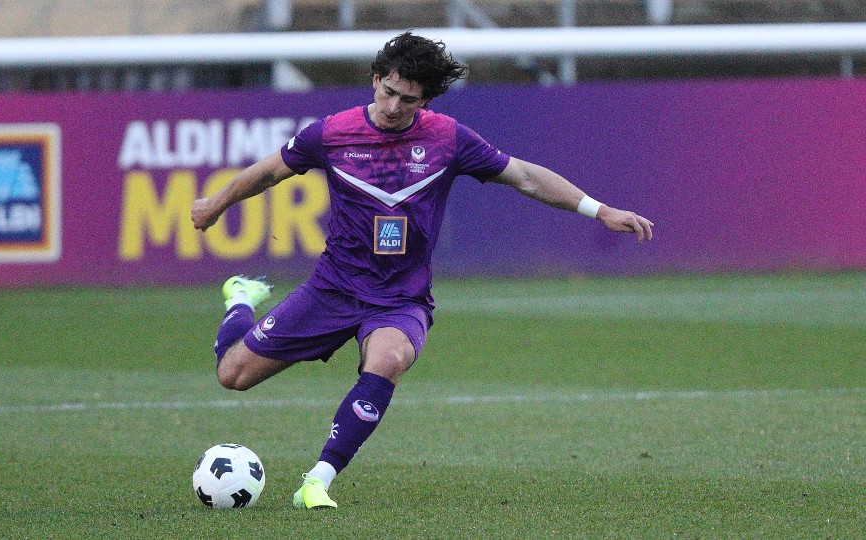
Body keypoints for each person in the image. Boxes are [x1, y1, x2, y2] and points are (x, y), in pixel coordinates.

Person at [191, 31, 654, 509]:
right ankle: (241, 298)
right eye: (388, 92)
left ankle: (318, 480)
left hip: (400, 298)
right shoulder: (330, 133)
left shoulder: (447, 139)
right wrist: (216, 203)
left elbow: (526, 177)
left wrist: (599, 210)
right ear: (375, 80)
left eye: (407, 99)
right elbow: (270, 170)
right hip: (332, 288)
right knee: (233, 376)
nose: (393, 106)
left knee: (387, 359)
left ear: (425, 100)